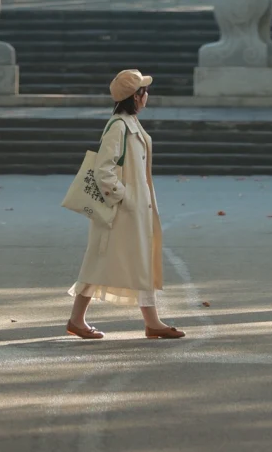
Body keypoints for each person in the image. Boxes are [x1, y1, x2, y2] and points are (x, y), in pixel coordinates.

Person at [66, 69, 185, 340]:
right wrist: (125, 196)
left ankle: (150, 322)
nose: (147, 95)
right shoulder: (119, 126)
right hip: (121, 210)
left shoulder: (130, 122)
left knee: (132, 261)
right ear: (135, 96)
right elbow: (103, 170)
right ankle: (79, 319)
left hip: (133, 209)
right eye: (143, 90)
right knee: (100, 262)